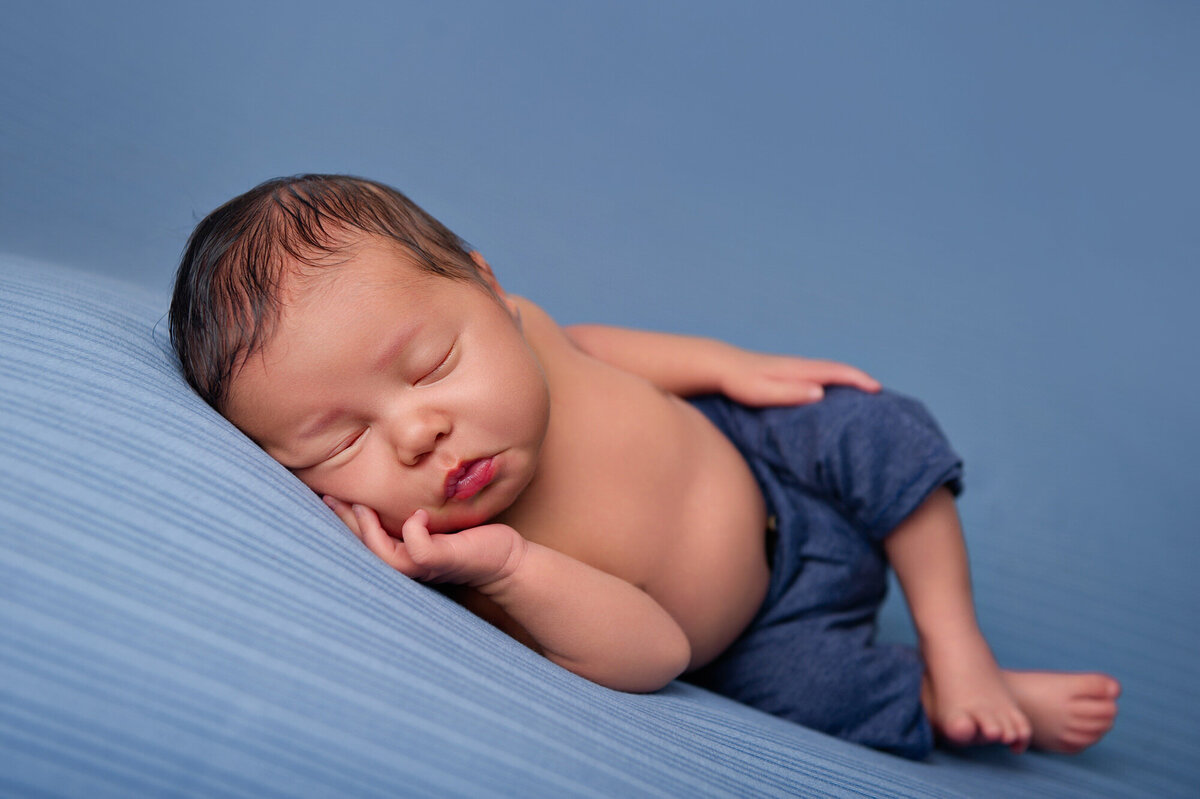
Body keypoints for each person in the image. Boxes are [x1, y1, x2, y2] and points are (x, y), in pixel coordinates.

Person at [169, 174, 1120, 759]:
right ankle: (948, 697)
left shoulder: (527, 329)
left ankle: (958, 646)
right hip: (758, 634)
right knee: (826, 697)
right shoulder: (478, 567)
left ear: (489, 288)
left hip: (763, 462)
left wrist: (722, 365)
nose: (417, 432)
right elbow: (660, 653)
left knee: (872, 426)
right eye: (341, 443)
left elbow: (589, 343)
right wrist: (508, 566)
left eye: (430, 366)